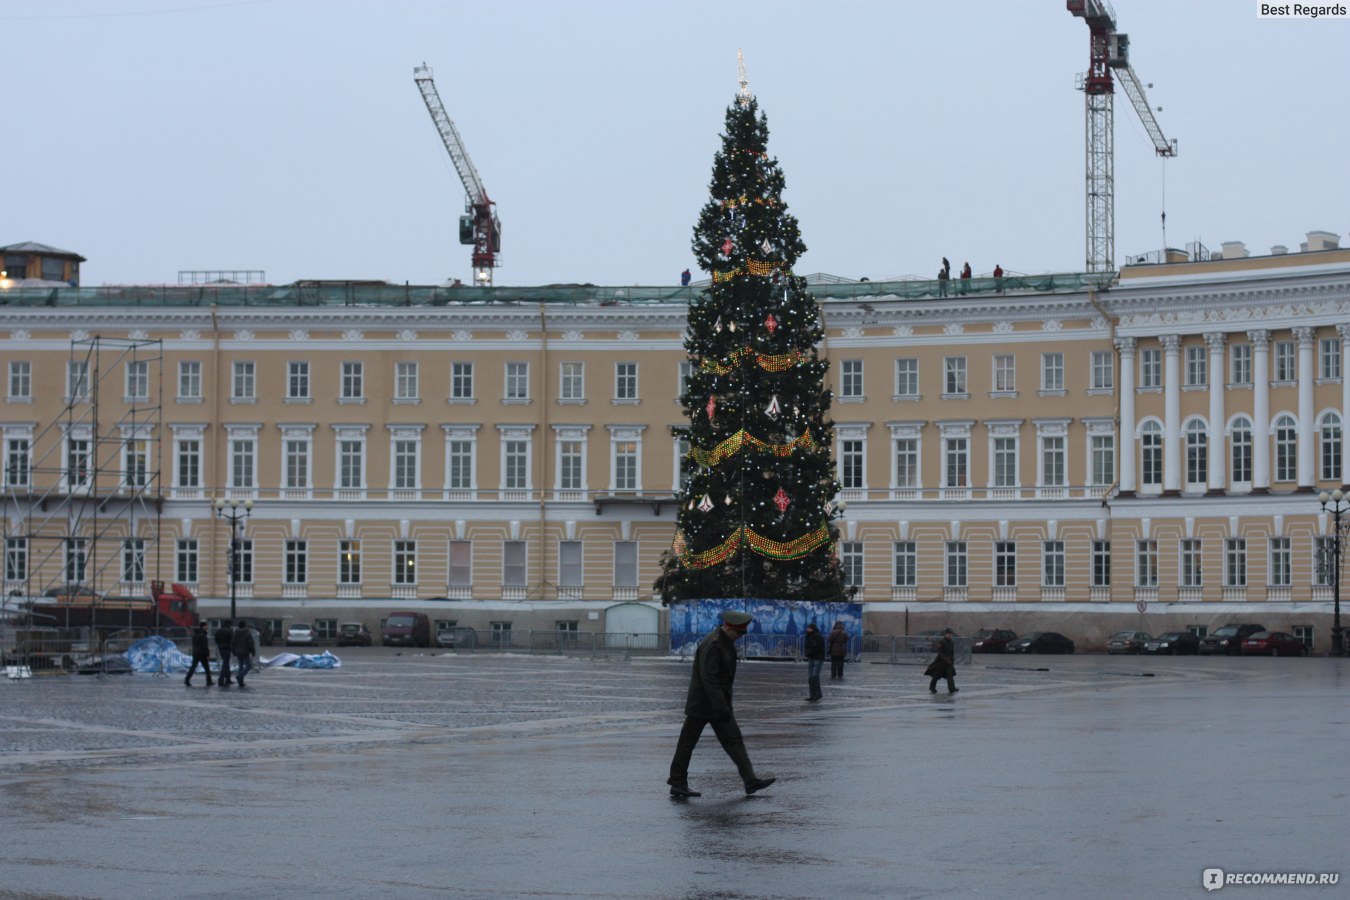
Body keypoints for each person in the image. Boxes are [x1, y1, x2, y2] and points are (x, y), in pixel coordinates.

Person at [667, 610, 776, 798]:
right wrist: (722, 708)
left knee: (734, 741)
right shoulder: (714, 644)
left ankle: (750, 781)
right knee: (687, 744)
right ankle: (677, 782)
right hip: (703, 705)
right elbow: (709, 679)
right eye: (738, 634)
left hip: (717, 704)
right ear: (729, 628)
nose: (739, 638)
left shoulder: (724, 642)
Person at [926, 628, 959, 694]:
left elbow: (952, 652)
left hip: (948, 662)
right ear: (945, 634)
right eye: (948, 634)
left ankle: (951, 688)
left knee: (950, 675)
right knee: (936, 675)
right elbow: (940, 653)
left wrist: (952, 660)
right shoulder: (941, 641)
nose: (949, 635)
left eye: (950, 634)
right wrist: (946, 659)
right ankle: (932, 687)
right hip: (940, 662)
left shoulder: (951, 642)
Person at [184, 622, 214, 687]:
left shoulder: (195, 634)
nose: (207, 627)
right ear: (203, 626)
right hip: (202, 653)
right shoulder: (203, 635)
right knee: (207, 668)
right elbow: (204, 646)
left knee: (193, 667)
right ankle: (209, 681)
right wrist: (207, 654)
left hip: (196, 653)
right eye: (206, 626)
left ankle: (187, 679)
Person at [803, 622, 825, 702]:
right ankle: (812, 695)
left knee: (815, 676)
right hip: (812, 658)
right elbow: (808, 646)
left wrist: (809, 652)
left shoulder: (817, 636)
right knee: (810, 677)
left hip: (817, 658)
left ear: (813, 629)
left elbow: (815, 648)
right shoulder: (809, 636)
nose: (807, 629)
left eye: (809, 628)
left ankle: (818, 694)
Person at [232, 619, 254, 687]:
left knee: (241, 666)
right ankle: (240, 676)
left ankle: (241, 681)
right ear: (245, 626)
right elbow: (250, 643)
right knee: (248, 665)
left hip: (238, 651)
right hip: (245, 651)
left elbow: (233, 642)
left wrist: (233, 651)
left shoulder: (236, 633)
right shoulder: (247, 633)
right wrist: (253, 651)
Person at [214, 620, 234, 686]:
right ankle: (221, 679)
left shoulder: (218, 631)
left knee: (226, 663)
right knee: (225, 664)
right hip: (227, 648)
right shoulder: (229, 631)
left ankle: (228, 679)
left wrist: (219, 645)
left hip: (221, 648)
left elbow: (216, 639)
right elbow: (232, 640)